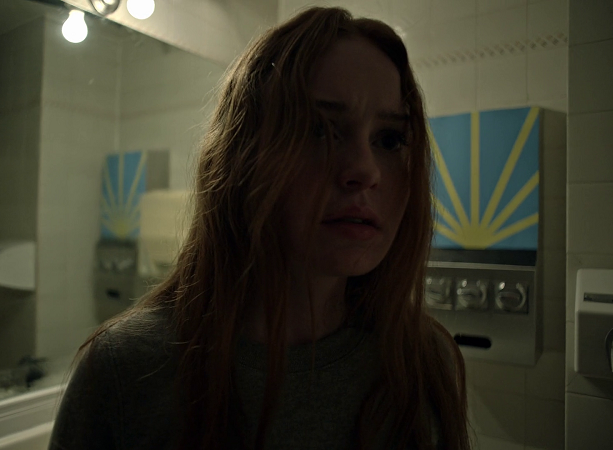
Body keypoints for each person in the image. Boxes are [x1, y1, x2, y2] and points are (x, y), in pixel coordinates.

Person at [49, 6, 469, 450]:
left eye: (389, 139)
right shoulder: (126, 371)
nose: (366, 170)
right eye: (319, 129)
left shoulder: (423, 362)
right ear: (243, 159)